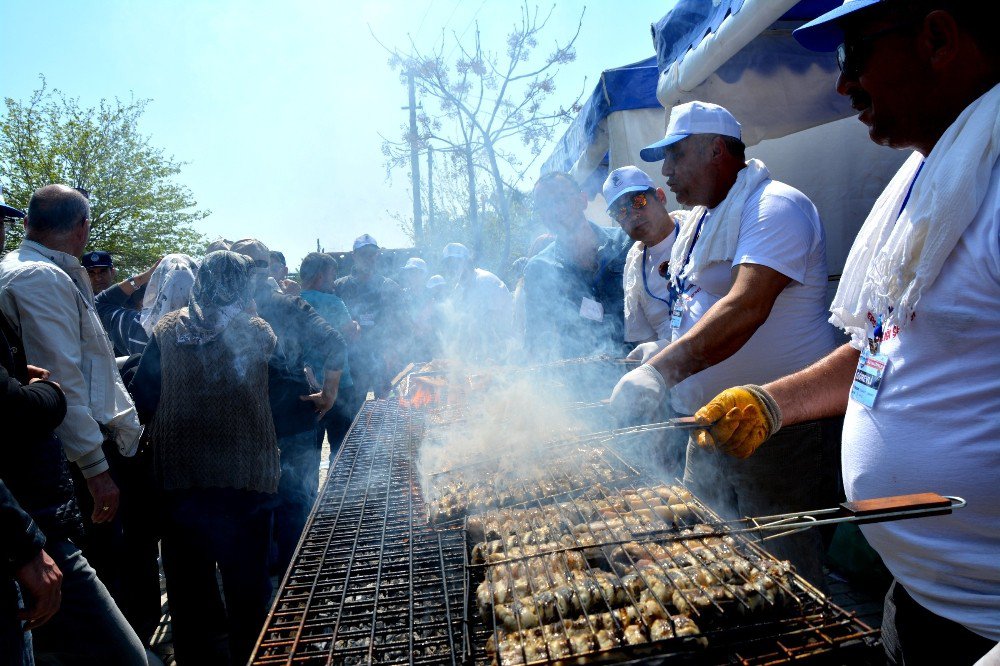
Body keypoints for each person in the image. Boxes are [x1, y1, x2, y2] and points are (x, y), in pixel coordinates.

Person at [691, 2, 1000, 663]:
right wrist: (777, 402)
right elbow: (885, 348)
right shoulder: (933, 182)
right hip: (919, 602)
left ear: (938, 36)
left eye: (855, 56)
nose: (843, 84)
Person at [609, 101, 840, 585]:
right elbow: (691, 303)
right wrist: (662, 347)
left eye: (675, 156)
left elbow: (745, 308)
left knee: (784, 571)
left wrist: (660, 372)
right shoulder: (699, 221)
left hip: (778, 428)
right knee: (707, 558)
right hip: (708, 424)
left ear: (716, 150)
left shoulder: (776, 206)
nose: (666, 172)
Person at [0, 191, 146, 665]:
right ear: (82, 226)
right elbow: (64, 379)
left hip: (46, 466)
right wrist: (96, 466)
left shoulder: (26, 269)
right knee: (102, 623)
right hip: (61, 470)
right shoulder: (40, 277)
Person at [131, 250, 278, 666]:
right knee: (247, 585)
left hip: (182, 478)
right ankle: (252, 655)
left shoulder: (166, 329)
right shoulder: (258, 330)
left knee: (189, 587)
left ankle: (200, 659)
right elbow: (280, 392)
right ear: (242, 286)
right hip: (245, 477)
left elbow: (144, 396)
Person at [231, 239, 345, 576]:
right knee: (276, 501)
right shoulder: (275, 306)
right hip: (253, 424)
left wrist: (329, 394)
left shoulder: (283, 306)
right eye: (250, 265)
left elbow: (335, 344)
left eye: (260, 265)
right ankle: (283, 575)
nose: (255, 272)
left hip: (285, 419)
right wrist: (329, 393)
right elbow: (336, 343)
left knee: (289, 500)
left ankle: (290, 579)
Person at [524, 172, 633, 360]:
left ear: (583, 200)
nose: (555, 211)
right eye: (544, 206)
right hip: (581, 381)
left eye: (561, 198)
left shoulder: (626, 244)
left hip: (642, 370)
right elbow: (538, 339)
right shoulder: (539, 269)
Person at [603, 166, 681, 347]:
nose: (632, 214)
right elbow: (646, 341)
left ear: (661, 197)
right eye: (620, 211)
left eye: (638, 201)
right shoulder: (634, 271)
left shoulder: (700, 233)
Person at [299, 252, 360, 460]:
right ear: (320, 277)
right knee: (342, 453)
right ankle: (340, 491)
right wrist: (355, 328)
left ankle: (310, 493)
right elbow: (348, 338)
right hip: (340, 387)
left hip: (306, 390)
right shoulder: (334, 303)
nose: (333, 282)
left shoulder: (291, 302)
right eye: (332, 275)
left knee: (308, 456)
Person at [334, 234, 405, 399]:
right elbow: (330, 320)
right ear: (354, 256)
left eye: (371, 254)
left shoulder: (389, 287)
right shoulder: (341, 286)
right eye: (363, 254)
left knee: (387, 405)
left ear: (377, 255)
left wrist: (394, 350)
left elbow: (400, 322)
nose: (368, 258)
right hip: (352, 359)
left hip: (383, 357)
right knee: (354, 409)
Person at [439, 243, 513, 361]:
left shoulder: (485, 281)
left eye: (455, 262)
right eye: (448, 264)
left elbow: (495, 322)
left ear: (467, 262)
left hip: (503, 351)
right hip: (479, 353)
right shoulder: (458, 289)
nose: (451, 268)